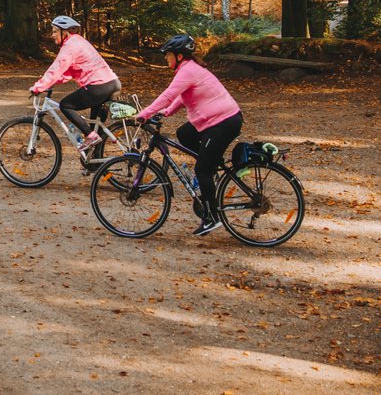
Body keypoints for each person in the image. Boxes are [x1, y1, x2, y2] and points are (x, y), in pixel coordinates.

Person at [135, 33, 242, 237]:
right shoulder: (190, 69)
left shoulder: (188, 71)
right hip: (219, 119)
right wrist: (166, 112)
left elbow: (168, 95)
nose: (166, 58)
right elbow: (181, 97)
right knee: (184, 133)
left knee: (202, 170)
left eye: (168, 55)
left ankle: (211, 217)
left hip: (223, 122)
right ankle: (213, 164)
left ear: (179, 56)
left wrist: (145, 114)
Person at [29, 15, 121, 158]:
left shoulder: (70, 46)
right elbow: (68, 72)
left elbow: (56, 68)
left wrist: (38, 87)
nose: (52, 35)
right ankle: (95, 161)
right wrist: (49, 83)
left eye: (54, 31)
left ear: (64, 32)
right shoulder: (78, 42)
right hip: (111, 84)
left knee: (65, 105)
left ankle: (90, 136)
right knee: (95, 126)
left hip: (98, 85)